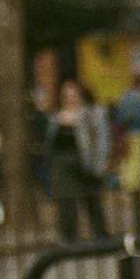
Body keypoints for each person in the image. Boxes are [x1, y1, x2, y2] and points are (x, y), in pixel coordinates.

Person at [40, 76, 110, 240]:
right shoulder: (55, 117)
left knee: (92, 200)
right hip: (62, 163)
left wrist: (100, 163)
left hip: (85, 161)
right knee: (66, 202)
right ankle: (69, 237)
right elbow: (49, 140)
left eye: (74, 95)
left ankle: (101, 235)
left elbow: (102, 140)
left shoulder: (91, 114)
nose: (70, 99)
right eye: (66, 95)